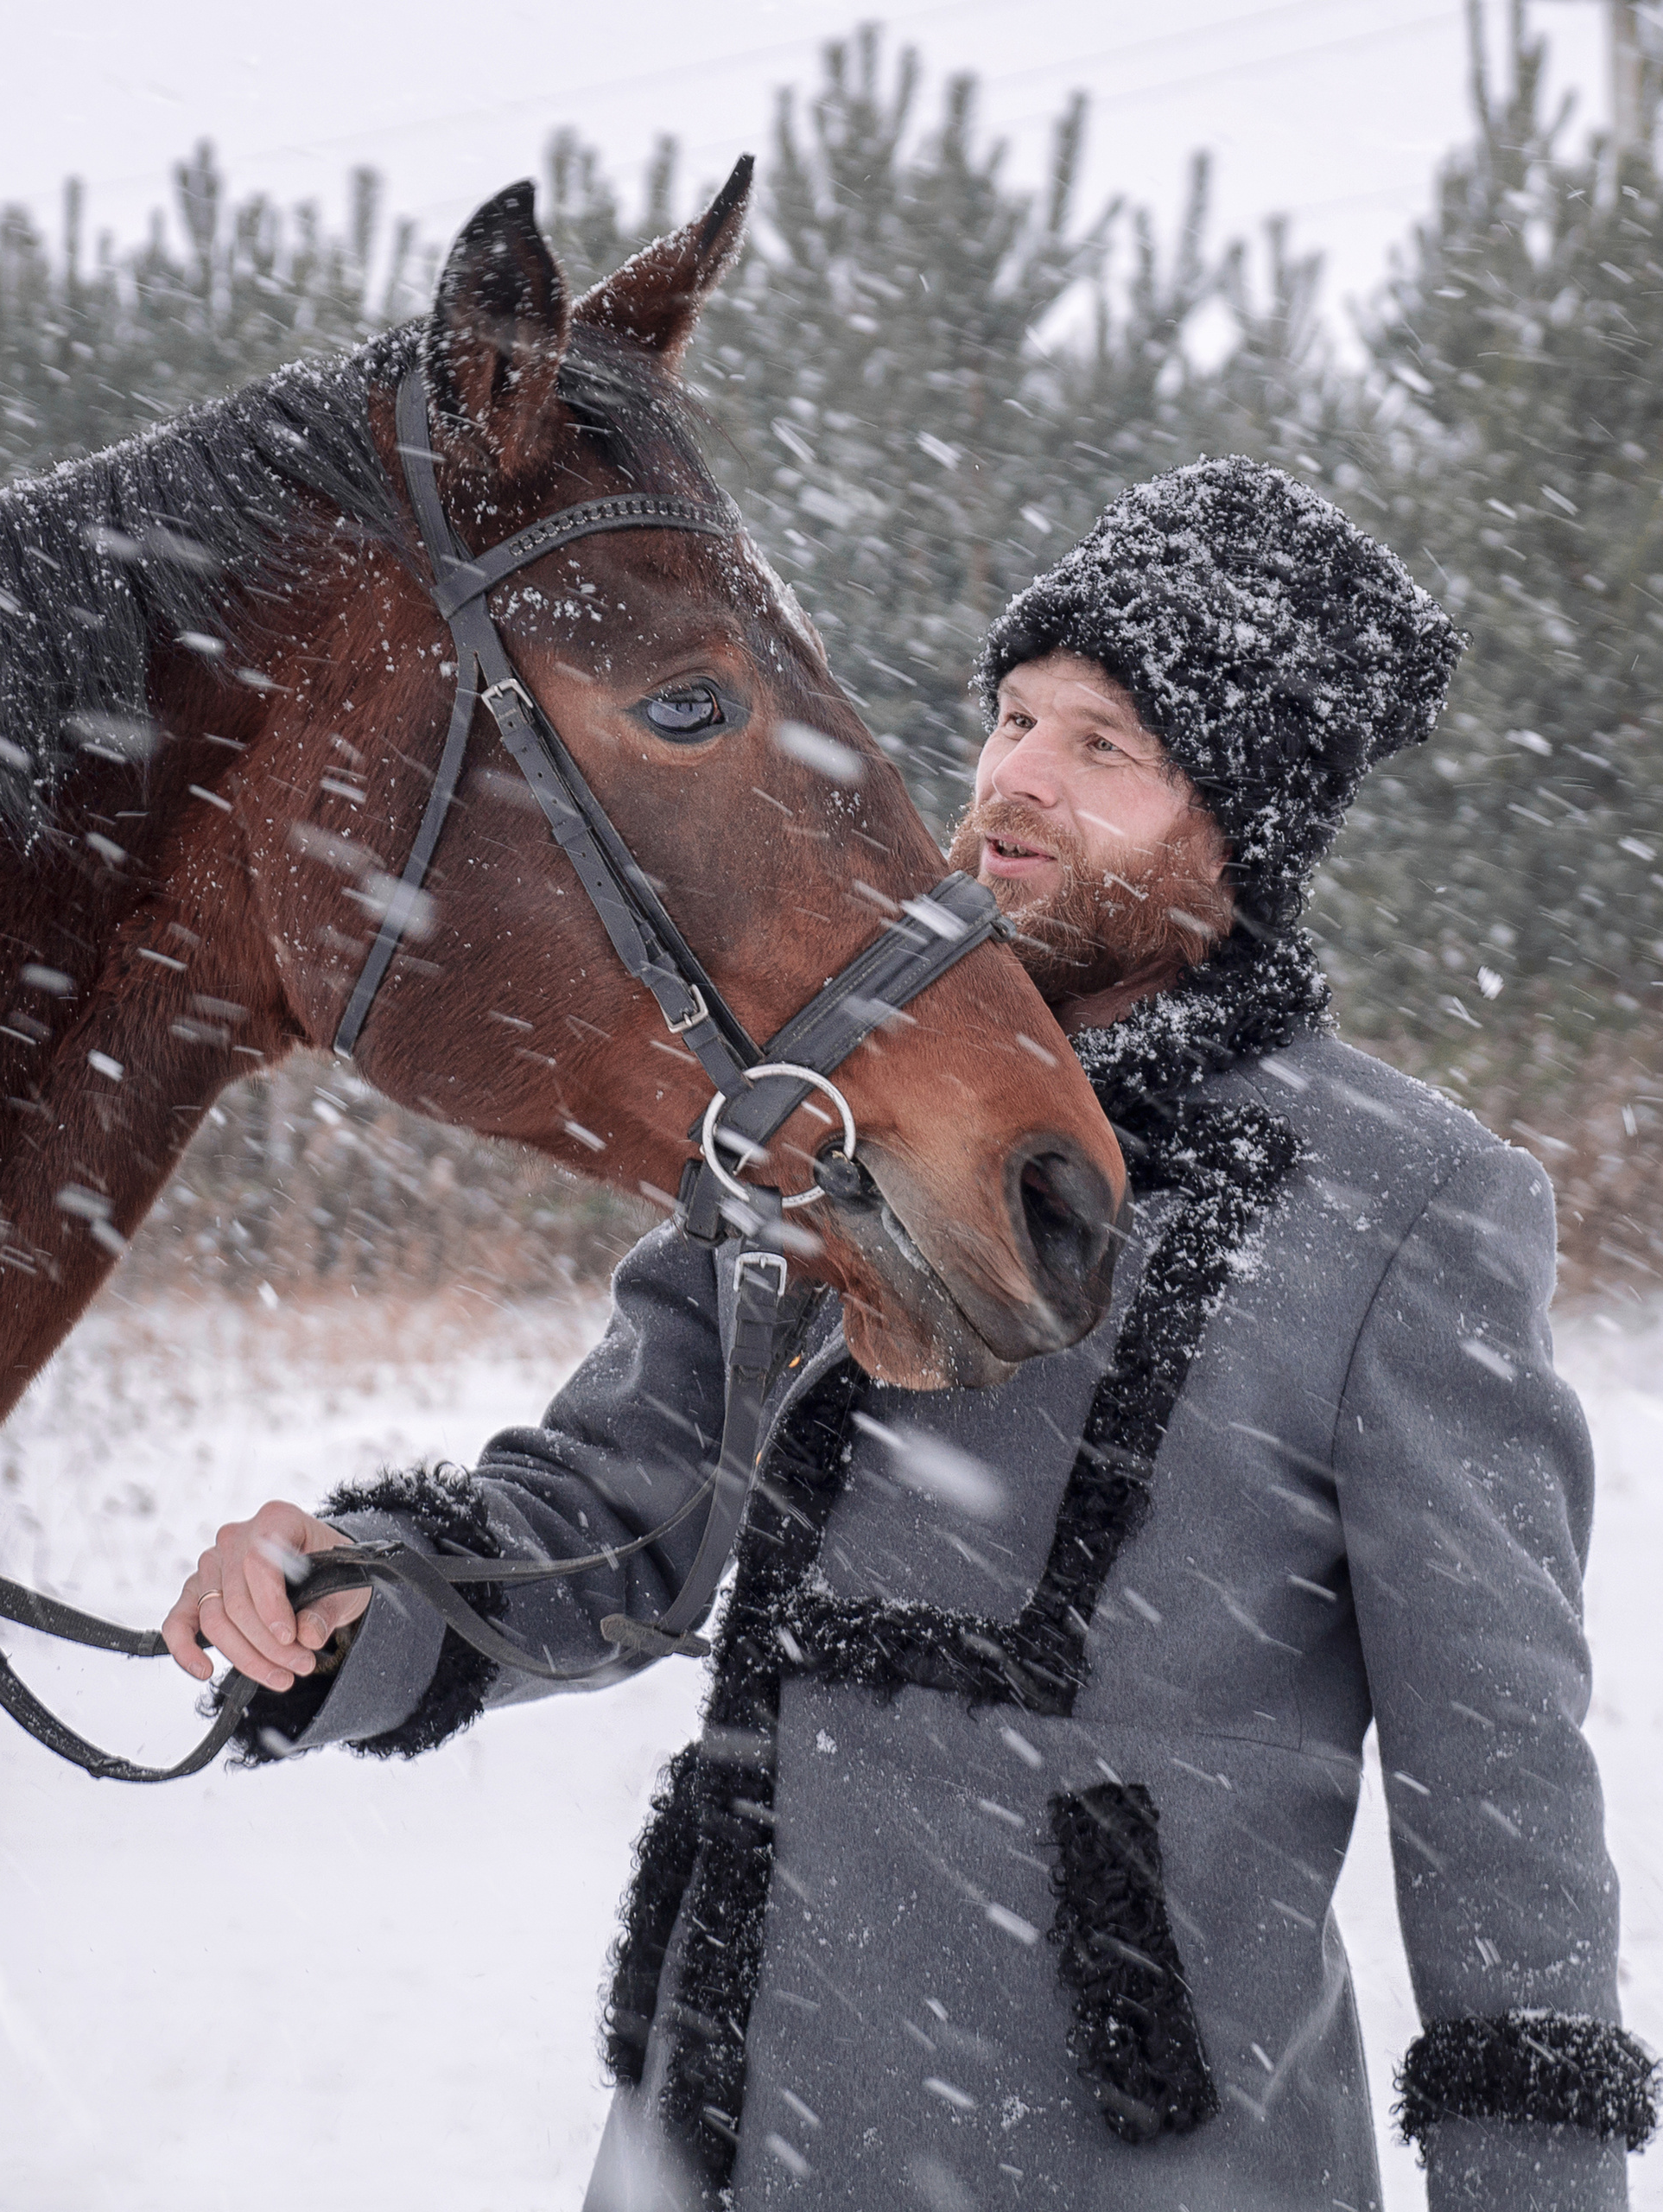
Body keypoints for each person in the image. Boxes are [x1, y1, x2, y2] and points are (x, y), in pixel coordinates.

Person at [165, 459, 1653, 2210]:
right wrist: (368, 1597)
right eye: (1011, 718)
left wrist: (1534, 2180)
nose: (1011, 777)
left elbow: (1496, 1783)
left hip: (1144, 2159)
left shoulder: (1398, 1204)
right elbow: (622, 1503)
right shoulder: (819, 1094)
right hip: (723, 2138)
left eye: (1101, 746)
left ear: (1230, 823)